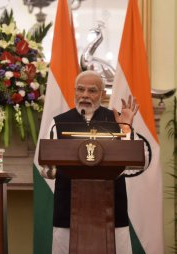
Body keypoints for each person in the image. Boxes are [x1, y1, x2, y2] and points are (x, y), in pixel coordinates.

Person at [43, 70, 142, 254]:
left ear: (102, 95)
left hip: (111, 205)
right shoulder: (59, 123)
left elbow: (133, 160)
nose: (85, 95)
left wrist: (126, 129)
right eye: (81, 89)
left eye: (92, 90)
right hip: (69, 206)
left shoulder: (118, 120)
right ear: (74, 91)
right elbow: (48, 166)